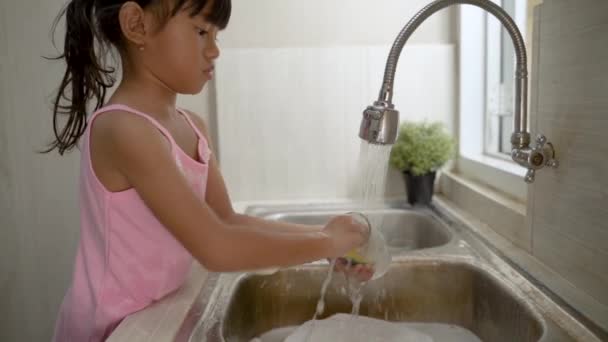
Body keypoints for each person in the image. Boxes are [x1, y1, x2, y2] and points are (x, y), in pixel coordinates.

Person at [46, 0, 371, 340]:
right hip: (109, 330)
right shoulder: (124, 129)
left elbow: (227, 220)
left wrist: (326, 240)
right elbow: (216, 247)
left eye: (216, 35)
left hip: (154, 319)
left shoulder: (192, 127)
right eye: (201, 31)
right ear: (136, 25)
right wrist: (325, 244)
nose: (214, 50)